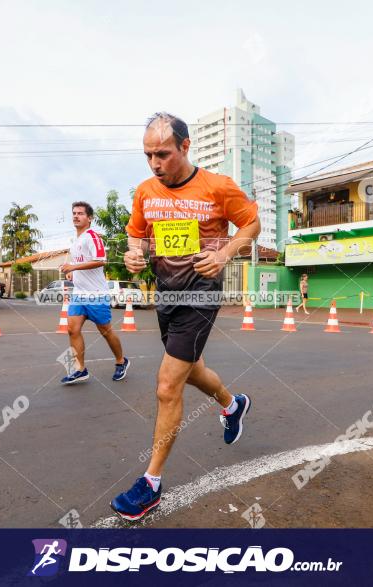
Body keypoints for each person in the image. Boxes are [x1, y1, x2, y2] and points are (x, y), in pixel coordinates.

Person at [110, 112, 261, 521]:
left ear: (185, 146)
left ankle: (151, 484)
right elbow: (136, 235)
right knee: (192, 370)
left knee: (166, 385)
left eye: (162, 153)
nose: (155, 163)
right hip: (167, 293)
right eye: (148, 155)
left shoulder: (218, 187)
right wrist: (134, 254)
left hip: (201, 294)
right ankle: (233, 405)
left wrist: (224, 254)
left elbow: (252, 223)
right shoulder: (145, 191)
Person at [58, 201, 129, 384]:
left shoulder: (92, 237)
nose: (76, 216)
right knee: (72, 329)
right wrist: (73, 272)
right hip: (80, 294)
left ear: (89, 219)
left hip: (96, 294)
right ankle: (80, 369)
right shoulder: (76, 242)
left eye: (80, 213)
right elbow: (83, 263)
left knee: (105, 331)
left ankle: (121, 361)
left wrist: (73, 266)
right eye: (74, 213)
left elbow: (101, 260)